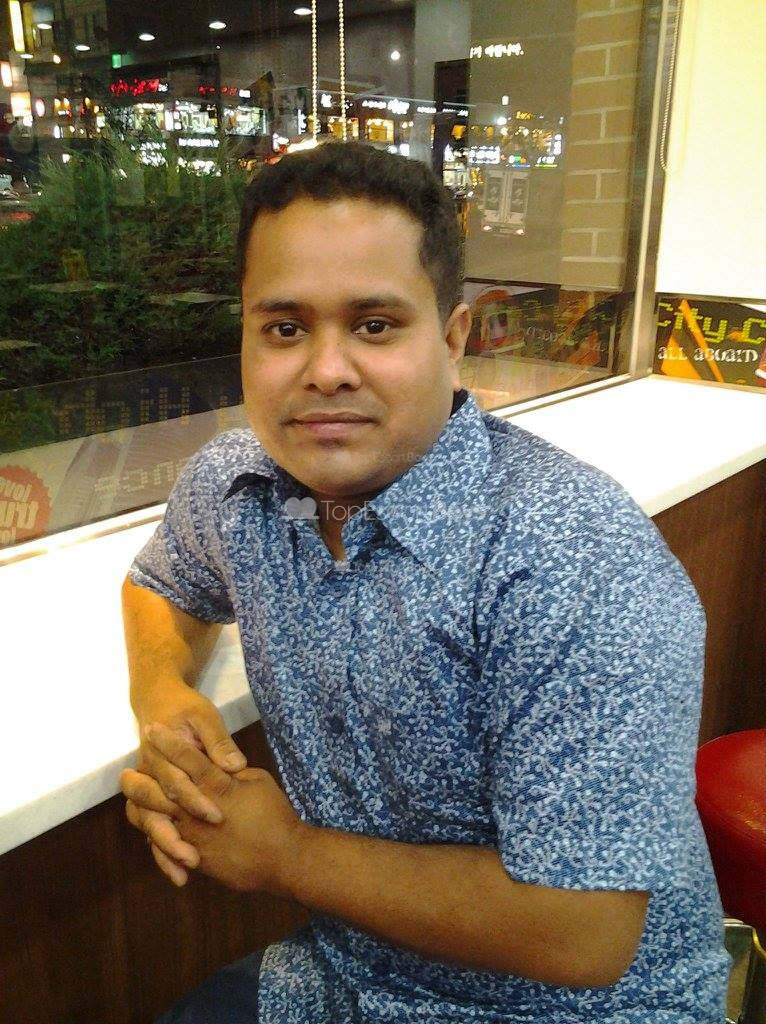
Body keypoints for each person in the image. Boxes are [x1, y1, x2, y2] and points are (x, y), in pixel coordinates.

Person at [120, 141, 730, 1024]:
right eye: (285, 328)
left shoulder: (569, 554)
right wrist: (160, 690)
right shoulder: (246, 489)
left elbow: (585, 932)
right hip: (351, 976)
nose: (326, 369)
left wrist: (284, 855)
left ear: (452, 339)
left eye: (374, 326)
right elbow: (163, 584)